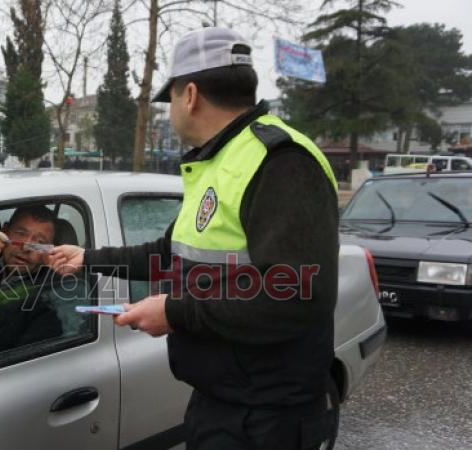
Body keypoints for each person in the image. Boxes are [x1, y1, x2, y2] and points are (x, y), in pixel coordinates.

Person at [49, 27, 339, 450]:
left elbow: (294, 293)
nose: (170, 112)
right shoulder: (220, 162)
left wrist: (173, 312)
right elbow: (168, 254)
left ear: (190, 95)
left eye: (169, 100)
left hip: (267, 419)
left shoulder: (280, 161)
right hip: (222, 403)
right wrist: (87, 258)